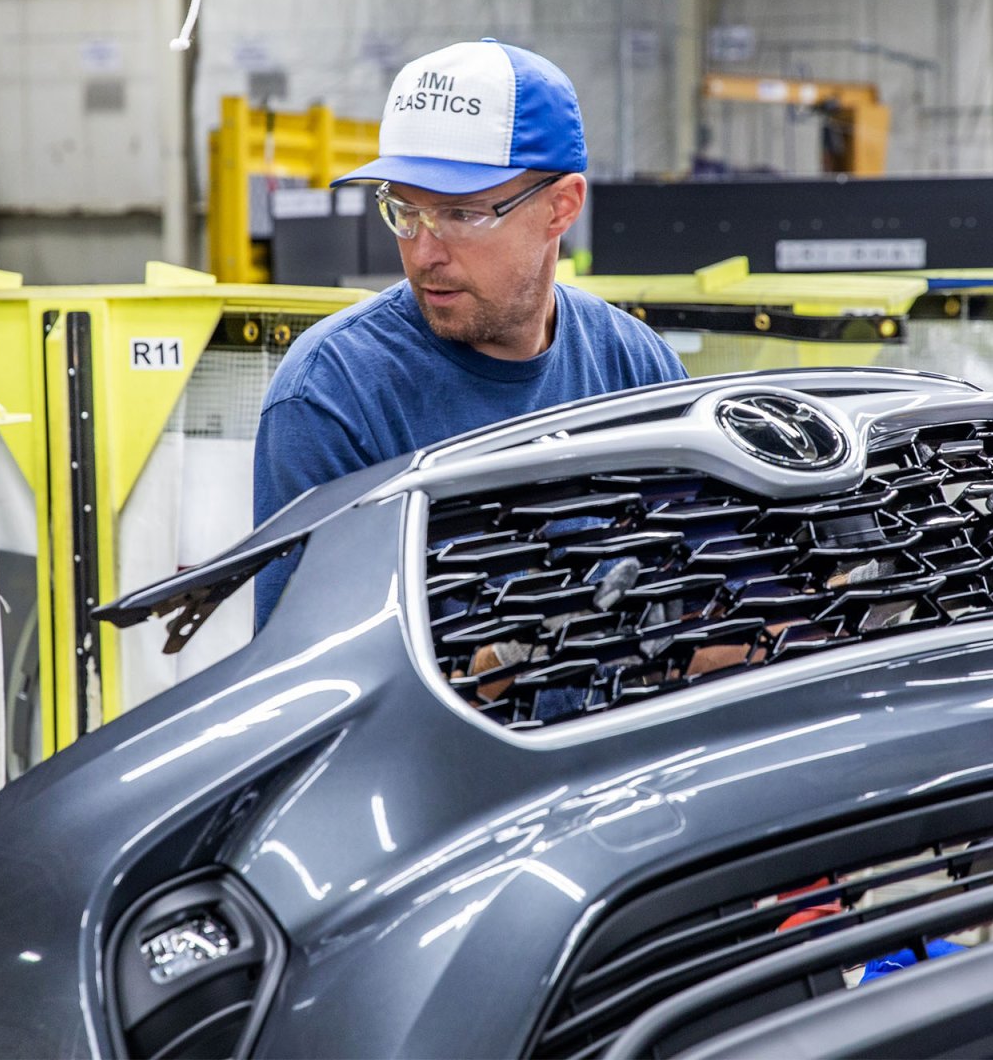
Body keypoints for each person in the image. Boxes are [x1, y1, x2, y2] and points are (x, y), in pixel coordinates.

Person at [252, 38, 687, 627]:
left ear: (562, 206)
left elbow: (694, 594)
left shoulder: (636, 372)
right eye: (405, 211)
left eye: (463, 214)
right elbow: (308, 676)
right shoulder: (334, 395)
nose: (424, 252)